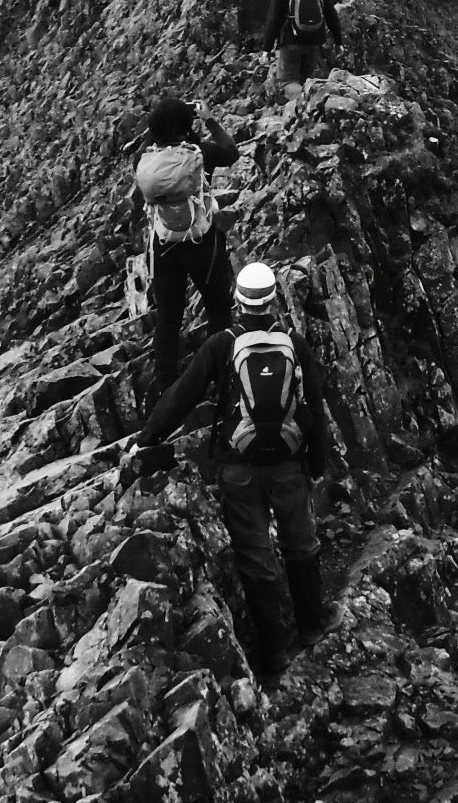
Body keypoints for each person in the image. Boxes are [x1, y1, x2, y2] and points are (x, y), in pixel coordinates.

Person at [122, 262, 336, 678]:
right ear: (273, 300)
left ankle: (275, 653)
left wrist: (146, 437)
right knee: (300, 543)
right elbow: (316, 407)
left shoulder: (222, 344)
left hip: (238, 469)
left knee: (256, 557)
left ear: (238, 302)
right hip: (289, 463)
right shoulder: (294, 342)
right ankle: (311, 625)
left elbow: (182, 395)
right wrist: (316, 465)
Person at [120, 96, 240, 392]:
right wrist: (208, 119)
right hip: (201, 243)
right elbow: (231, 151)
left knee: (169, 316)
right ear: (187, 129)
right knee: (218, 309)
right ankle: (220, 375)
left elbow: (153, 144)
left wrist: (159, 127)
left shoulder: (142, 162)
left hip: (164, 246)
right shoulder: (201, 154)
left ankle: (165, 386)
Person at [260, 0, 341, 110]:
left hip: (290, 41)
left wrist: (266, 49)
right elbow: (331, 14)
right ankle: (310, 107)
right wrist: (339, 41)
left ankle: (306, 107)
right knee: (307, 81)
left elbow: (274, 18)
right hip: (314, 42)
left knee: (289, 82)